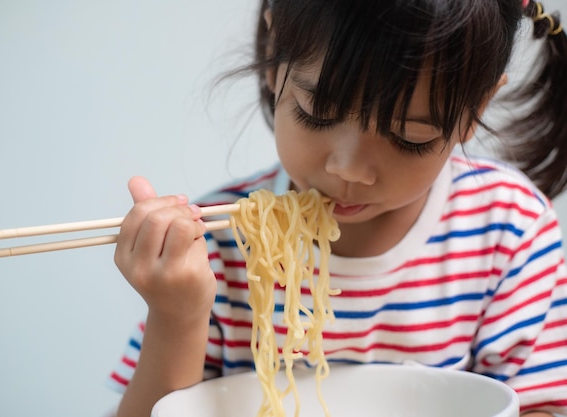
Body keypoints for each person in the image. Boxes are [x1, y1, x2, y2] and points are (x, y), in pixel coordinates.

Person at [106, 1, 567, 416]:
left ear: (473, 109)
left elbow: (540, 405)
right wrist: (178, 315)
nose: (349, 171)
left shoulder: (509, 229)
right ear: (275, 56)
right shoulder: (213, 244)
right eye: (317, 114)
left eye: (410, 137)